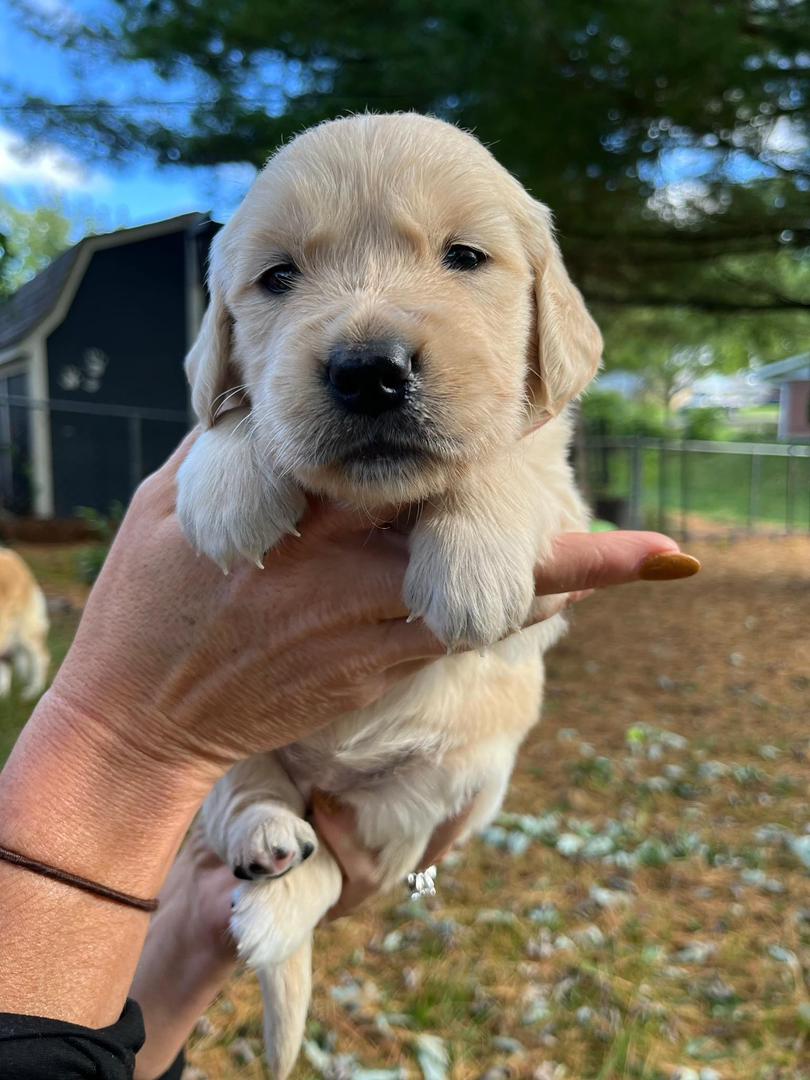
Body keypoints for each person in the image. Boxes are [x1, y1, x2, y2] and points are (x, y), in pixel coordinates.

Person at [0, 435, 699, 1079]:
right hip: (272, 767)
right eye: (279, 285)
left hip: (419, 769)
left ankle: (299, 867)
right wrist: (126, 738)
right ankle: (272, 831)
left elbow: (517, 633)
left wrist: (199, 927)